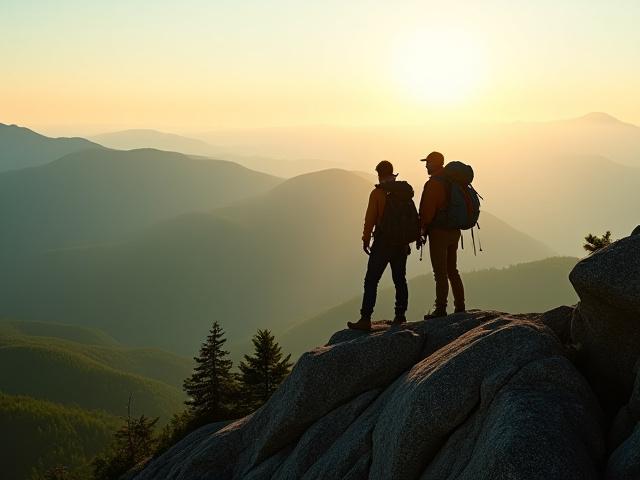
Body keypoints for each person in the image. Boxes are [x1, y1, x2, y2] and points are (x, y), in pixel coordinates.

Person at [347, 160, 414, 331]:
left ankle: (365, 318)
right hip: (401, 243)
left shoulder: (377, 193)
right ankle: (400, 316)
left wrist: (365, 239)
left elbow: (370, 218)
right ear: (392, 172)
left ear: (379, 174)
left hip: (383, 242)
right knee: (400, 280)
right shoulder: (404, 192)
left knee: (371, 280)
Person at [418, 151, 466, 318]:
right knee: (453, 270)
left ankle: (441, 309)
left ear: (436, 163)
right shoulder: (452, 180)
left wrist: (422, 230)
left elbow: (427, 212)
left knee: (440, 272)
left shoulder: (434, 184)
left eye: (428, 162)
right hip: (454, 231)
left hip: (439, 233)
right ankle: (460, 306)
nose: (426, 165)